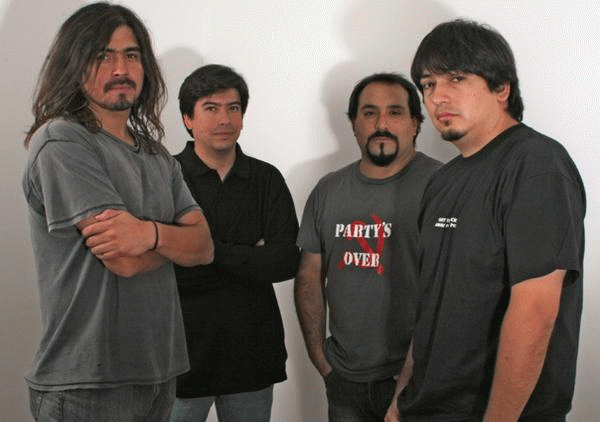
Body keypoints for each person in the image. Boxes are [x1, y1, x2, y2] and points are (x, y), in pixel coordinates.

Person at [385, 19, 585, 422]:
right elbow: (431, 304)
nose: (438, 96)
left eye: (456, 78)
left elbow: (535, 314)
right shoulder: (443, 181)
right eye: (428, 84)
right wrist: (401, 396)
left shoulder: (537, 165)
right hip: (425, 408)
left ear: (501, 88)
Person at [22, 3, 214, 421]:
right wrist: (175, 241)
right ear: (74, 66)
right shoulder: (63, 141)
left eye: (131, 55)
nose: (120, 69)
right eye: (102, 56)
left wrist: (148, 234)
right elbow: (125, 261)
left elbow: (204, 247)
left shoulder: (157, 155)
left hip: (159, 376)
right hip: (86, 387)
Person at [295, 72, 442, 422]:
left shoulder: (443, 186)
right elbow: (309, 276)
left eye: (395, 112)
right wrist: (322, 362)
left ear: (416, 124)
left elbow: (454, 289)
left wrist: (415, 372)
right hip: (345, 381)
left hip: (420, 380)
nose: (381, 124)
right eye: (369, 113)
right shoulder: (328, 190)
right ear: (353, 124)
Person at [169, 64, 301, 422]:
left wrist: (202, 250)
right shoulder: (165, 176)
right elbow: (164, 267)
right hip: (180, 360)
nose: (224, 119)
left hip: (252, 358)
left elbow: (285, 261)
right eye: (211, 108)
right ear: (187, 118)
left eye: (233, 108)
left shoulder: (266, 179)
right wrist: (251, 257)